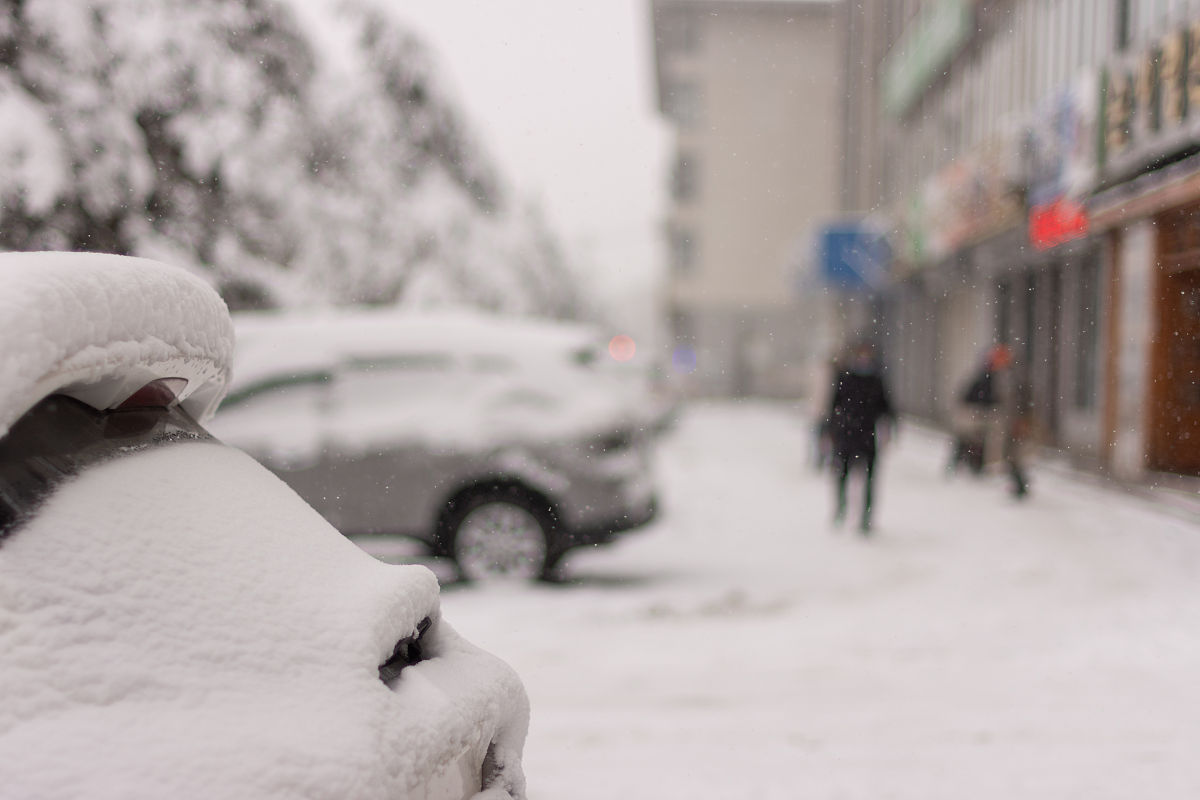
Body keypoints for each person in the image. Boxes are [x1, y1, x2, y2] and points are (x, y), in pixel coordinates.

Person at [828, 341, 895, 534]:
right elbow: (834, 406)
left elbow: (886, 407)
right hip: (847, 435)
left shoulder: (876, 380)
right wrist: (832, 430)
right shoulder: (845, 378)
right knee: (843, 475)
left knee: (869, 479)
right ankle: (841, 509)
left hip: (867, 436)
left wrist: (891, 428)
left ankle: (866, 517)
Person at [947, 344, 1011, 475]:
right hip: (976, 411)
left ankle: (970, 463)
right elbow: (979, 396)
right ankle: (966, 463)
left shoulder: (994, 377)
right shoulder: (987, 377)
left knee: (971, 439)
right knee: (969, 438)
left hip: (979, 412)